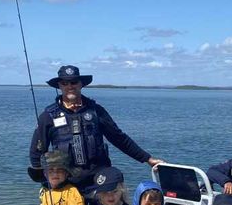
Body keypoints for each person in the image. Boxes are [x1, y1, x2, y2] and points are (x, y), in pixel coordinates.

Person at [28, 65, 164, 193]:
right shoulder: (48, 116)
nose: (70, 86)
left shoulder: (96, 111)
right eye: (65, 83)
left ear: (81, 84)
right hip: (67, 182)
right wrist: (46, 182)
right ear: (59, 85)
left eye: (74, 82)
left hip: (98, 180)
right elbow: (37, 152)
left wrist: (147, 159)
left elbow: (119, 138)